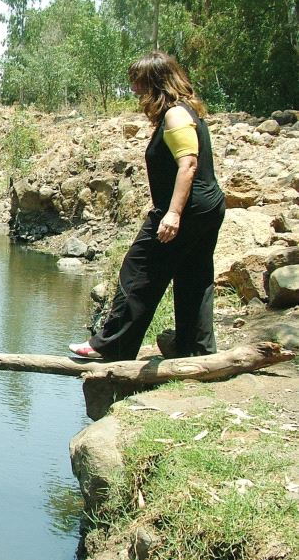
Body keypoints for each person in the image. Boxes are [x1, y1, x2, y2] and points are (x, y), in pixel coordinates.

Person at [69, 51, 225, 361]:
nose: (134, 90)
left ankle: (110, 346)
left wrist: (173, 213)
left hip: (188, 208)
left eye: (138, 83)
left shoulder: (175, 115)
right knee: (193, 277)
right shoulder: (186, 112)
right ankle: (196, 353)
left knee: (138, 271)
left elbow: (189, 165)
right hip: (207, 206)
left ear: (156, 82)